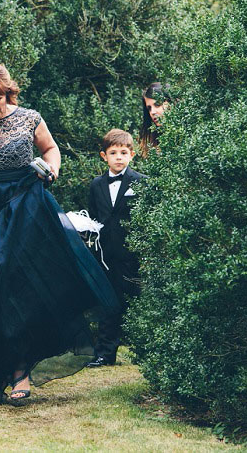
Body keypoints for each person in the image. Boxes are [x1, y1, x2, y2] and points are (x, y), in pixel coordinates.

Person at [0, 60, 119, 404]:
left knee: (17, 286)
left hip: (26, 207)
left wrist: (51, 170)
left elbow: (50, 149)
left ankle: (20, 374)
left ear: (8, 92)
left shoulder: (30, 118)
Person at [86, 129, 146, 368]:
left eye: (123, 152)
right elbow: (92, 217)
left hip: (132, 254)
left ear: (132, 154)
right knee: (108, 304)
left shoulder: (141, 182)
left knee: (136, 302)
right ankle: (105, 353)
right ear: (104, 156)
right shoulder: (96, 185)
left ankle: (145, 351)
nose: (119, 157)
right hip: (105, 255)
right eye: (113, 153)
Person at [139, 82, 173, 158]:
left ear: (171, 102)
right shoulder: (153, 146)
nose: (153, 112)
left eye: (157, 104)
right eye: (149, 108)